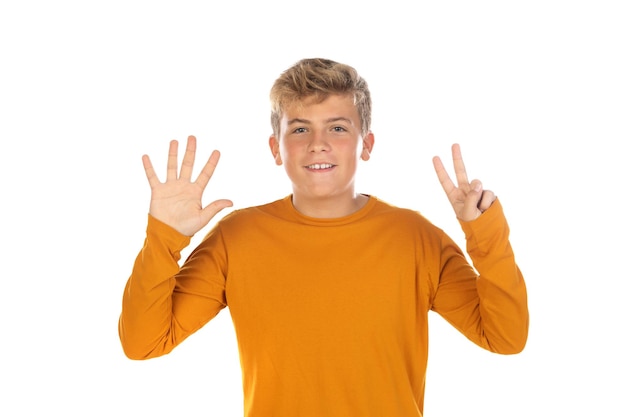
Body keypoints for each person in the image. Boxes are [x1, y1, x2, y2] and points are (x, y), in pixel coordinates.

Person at [119, 58, 529, 416]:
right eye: (299, 130)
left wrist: (484, 231)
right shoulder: (236, 239)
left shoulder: (417, 238)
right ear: (276, 148)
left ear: (365, 144)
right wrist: (164, 238)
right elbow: (143, 342)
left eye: (337, 127)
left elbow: (505, 336)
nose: (318, 144)